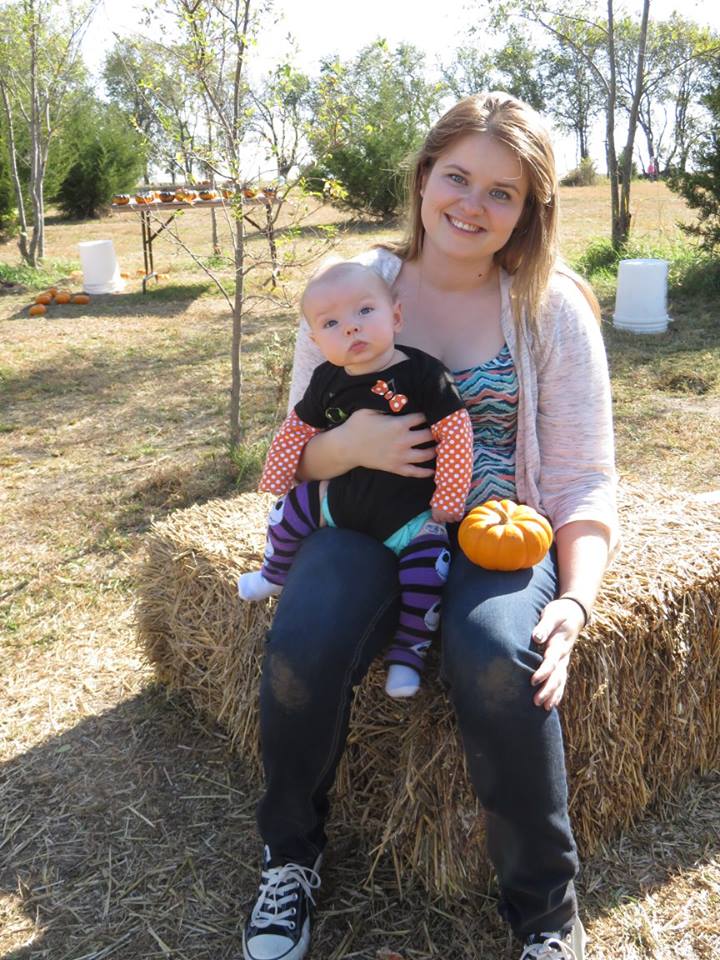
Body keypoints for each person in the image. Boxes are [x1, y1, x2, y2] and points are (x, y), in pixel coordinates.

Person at [242, 91, 617, 960]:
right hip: (367, 518)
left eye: (503, 192)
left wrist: (576, 600)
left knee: (499, 660)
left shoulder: (550, 308)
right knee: (304, 632)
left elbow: (584, 477)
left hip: (493, 527)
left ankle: (547, 918)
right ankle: (288, 859)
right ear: (422, 179)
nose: (472, 205)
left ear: (529, 211)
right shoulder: (352, 288)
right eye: (458, 177)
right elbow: (295, 445)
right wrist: (352, 445)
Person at [238, 260, 473, 698]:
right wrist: (276, 475)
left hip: (409, 515)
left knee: (427, 576)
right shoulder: (326, 379)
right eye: (331, 323)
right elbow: (297, 428)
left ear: (396, 317)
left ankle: (407, 657)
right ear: (316, 340)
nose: (351, 328)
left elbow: (456, 432)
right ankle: (274, 572)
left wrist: (450, 499)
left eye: (365, 311)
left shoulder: (424, 374)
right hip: (341, 505)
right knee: (287, 512)